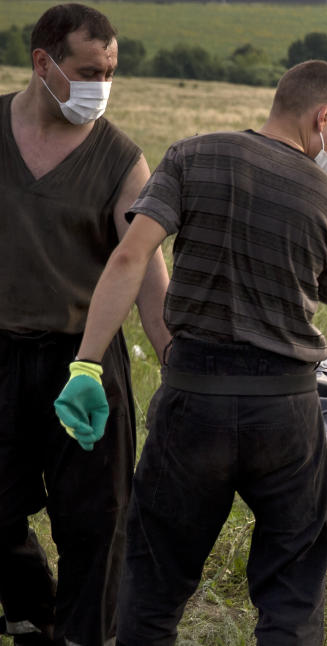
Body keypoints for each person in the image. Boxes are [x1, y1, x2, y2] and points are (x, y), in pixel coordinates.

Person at [53, 60, 327, 644]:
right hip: (287, 410)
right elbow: (312, 297)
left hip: (193, 403)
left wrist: (87, 363)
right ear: (324, 116)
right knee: (291, 598)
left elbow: (129, 258)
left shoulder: (191, 156)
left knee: (152, 588)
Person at [0, 4, 171, 644]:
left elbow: (150, 281)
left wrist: (183, 374)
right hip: (1, 358)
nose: (103, 84)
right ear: (43, 63)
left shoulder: (123, 161)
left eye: (112, 70)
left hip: (84, 365)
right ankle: (31, 611)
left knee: (96, 527)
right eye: (88, 70)